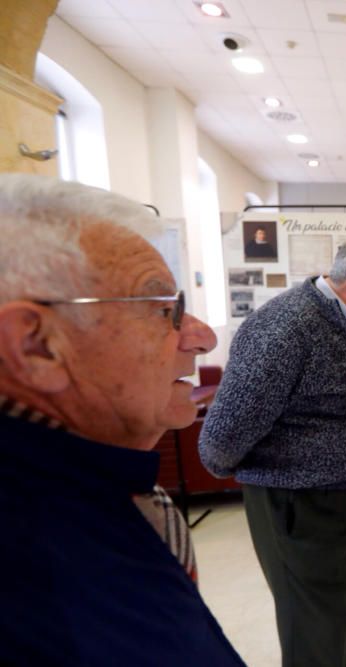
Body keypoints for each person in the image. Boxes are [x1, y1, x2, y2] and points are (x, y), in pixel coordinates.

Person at [0, 174, 243, 665]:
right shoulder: (32, 567)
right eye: (160, 310)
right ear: (36, 346)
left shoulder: (101, 490)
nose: (200, 337)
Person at [199, 236, 346, 667]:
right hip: (299, 509)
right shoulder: (283, 329)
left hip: (343, 507)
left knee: (337, 620)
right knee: (311, 634)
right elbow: (222, 436)